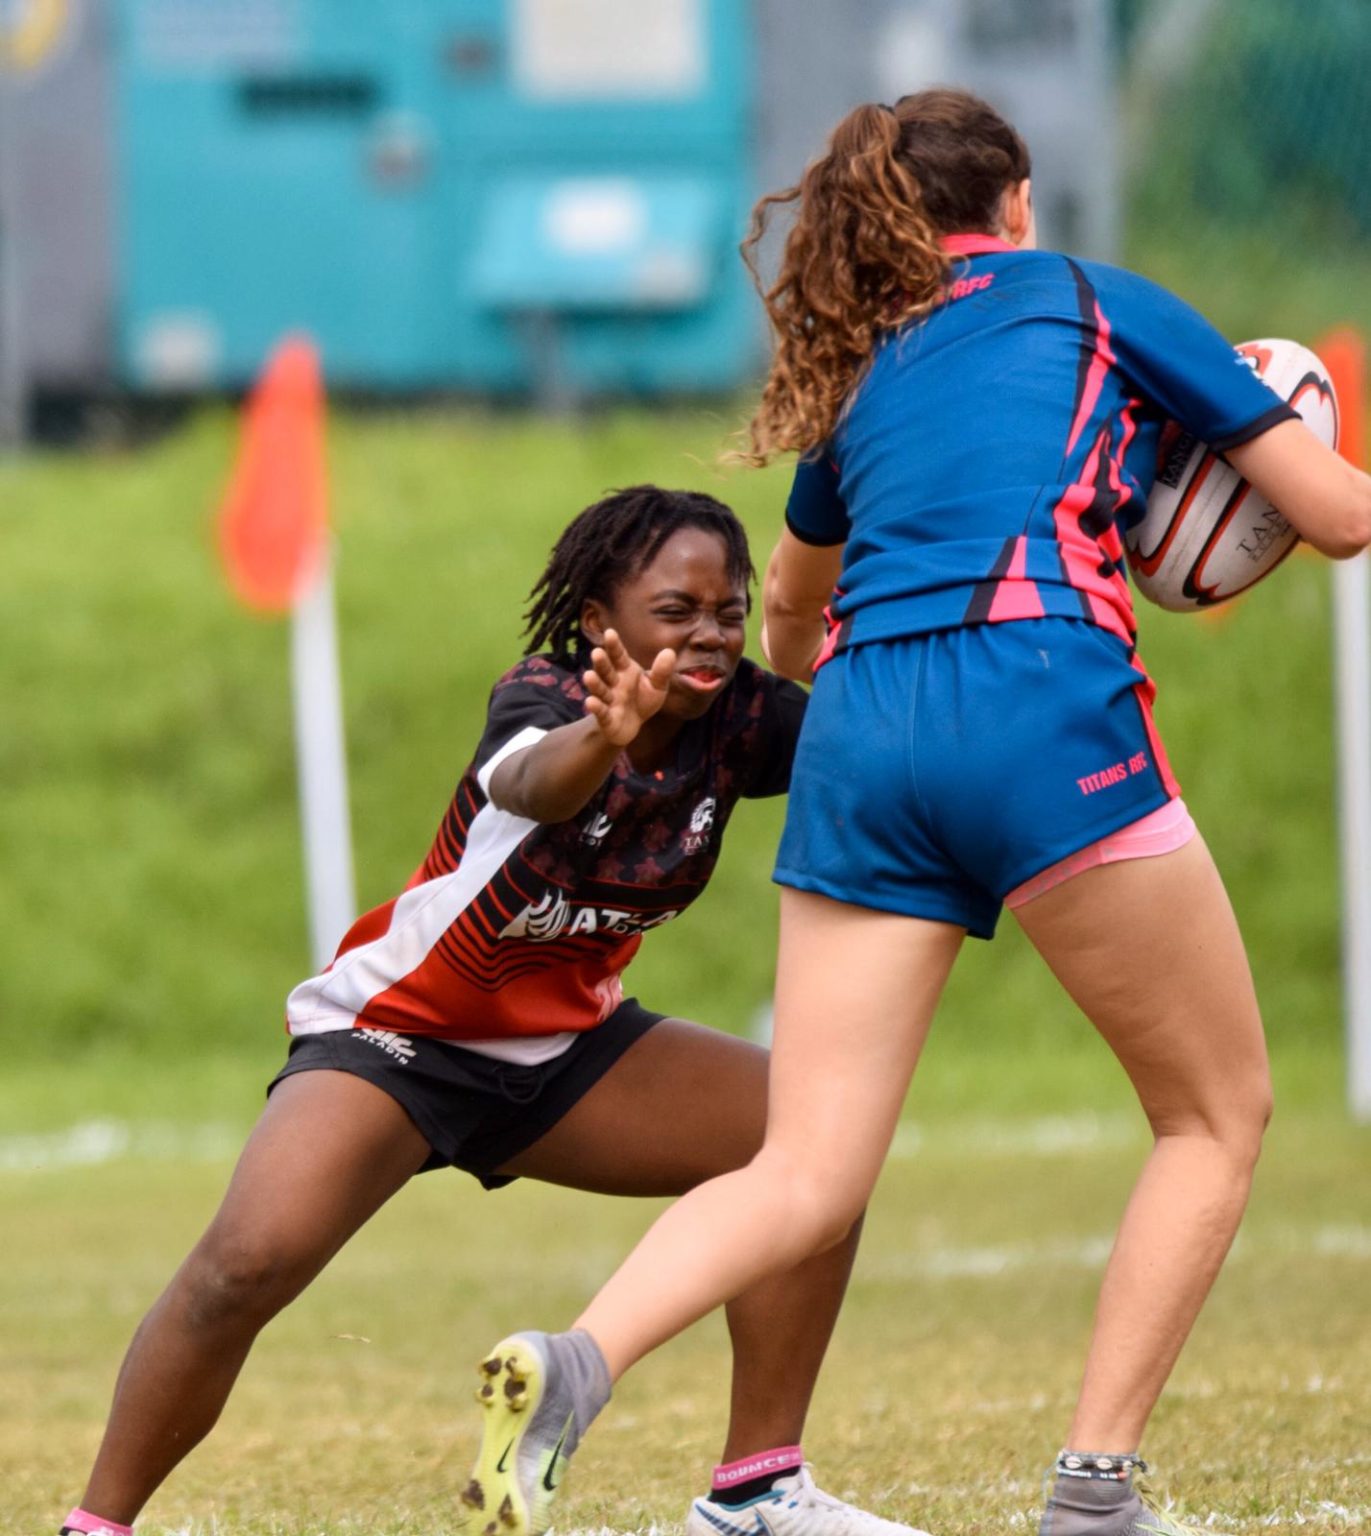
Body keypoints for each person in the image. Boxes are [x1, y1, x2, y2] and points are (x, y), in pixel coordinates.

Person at [458, 89, 1371, 1536]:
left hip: (861, 726)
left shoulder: (861, 364)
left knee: (806, 1166)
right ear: (1012, 203)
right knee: (1212, 1114)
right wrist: (1190, 518)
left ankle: (576, 1365)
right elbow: (1332, 514)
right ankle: (1091, 1492)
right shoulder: (1094, 297)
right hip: (1037, 686)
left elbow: (785, 609)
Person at [59, 486, 931, 1536]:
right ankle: (95, 1524)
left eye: (728, 609)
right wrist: (604, 740)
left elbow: (890, 747)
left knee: (812, 1146)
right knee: (243, 1266)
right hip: (400, 1040)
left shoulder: (742, 714)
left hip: (566, 1054)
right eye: (676, 609)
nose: (709, 632)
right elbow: (533, 786)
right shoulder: (543, 696)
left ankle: (757, 1490)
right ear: (601, 623)